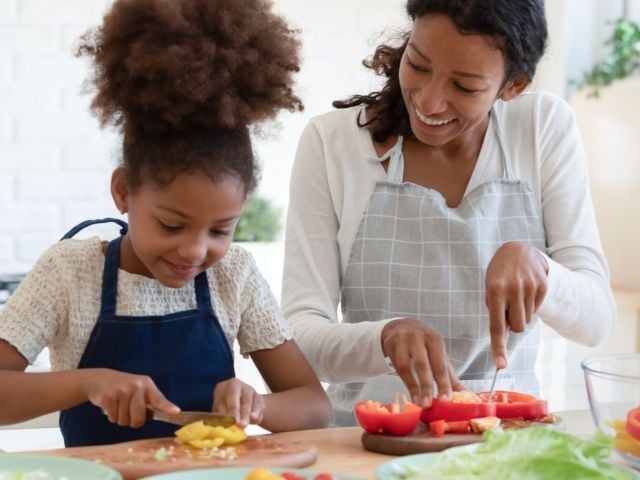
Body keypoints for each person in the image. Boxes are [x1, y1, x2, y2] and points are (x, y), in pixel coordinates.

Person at [0, 0, 332, 446]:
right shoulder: (68, 273)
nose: (195, 250)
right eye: (172, 226)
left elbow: (315, 405)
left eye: (219, 230)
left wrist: (259, 405)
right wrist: (88, 382)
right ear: (123, 192)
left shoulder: (234, 275)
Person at [282, 0, 617, 426]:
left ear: (512, 86)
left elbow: (596, 321)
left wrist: (542, 270)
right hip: (368, 435)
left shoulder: (541, 127)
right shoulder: (331, 143)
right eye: (418, 65)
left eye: (464, 86)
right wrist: (382, 338)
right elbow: (298, 337)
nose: (430, 101)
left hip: (504, 433)